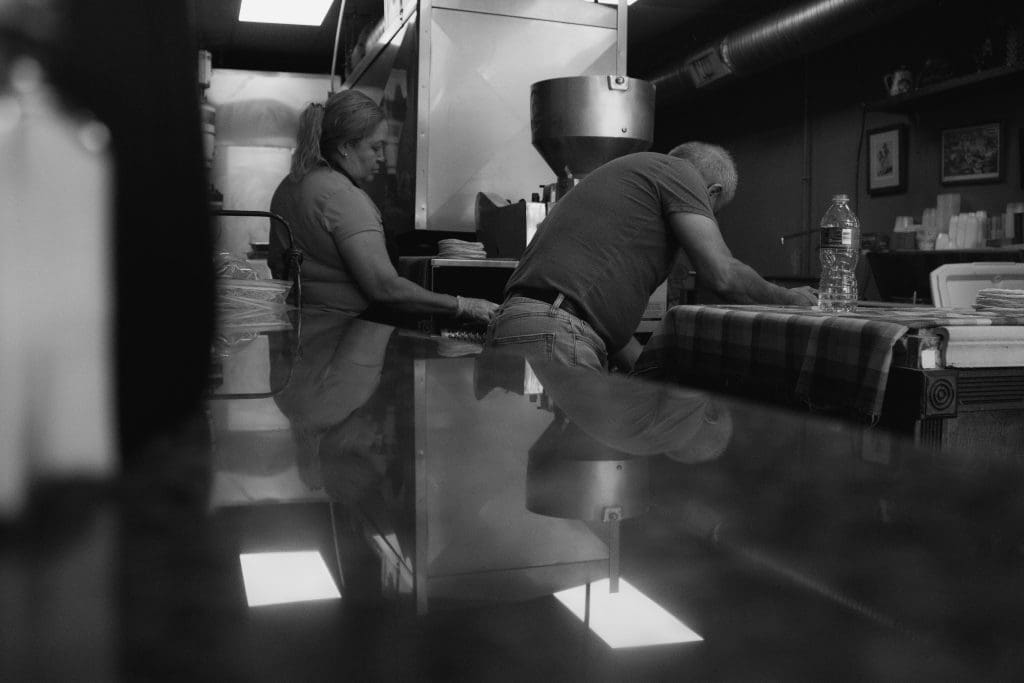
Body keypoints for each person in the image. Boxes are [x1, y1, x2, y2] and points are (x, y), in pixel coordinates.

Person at [485, 142, 817, 372]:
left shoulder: (630, 178)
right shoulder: (681, 174)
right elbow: (723, 274)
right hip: (553, 333)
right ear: (711, 192)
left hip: (521, 324)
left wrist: (649, 376)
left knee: (550, 470)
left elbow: (599, 324)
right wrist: (792, 300)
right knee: (574, 466)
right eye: (711, 211)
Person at [268, 89, 497, 323]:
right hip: (348, 333)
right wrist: (462, 305)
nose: (382, 157)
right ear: (346, 146)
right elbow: (384, 287)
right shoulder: (342, 196)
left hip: (301, 330)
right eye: (375, 147)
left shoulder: (291, 184)